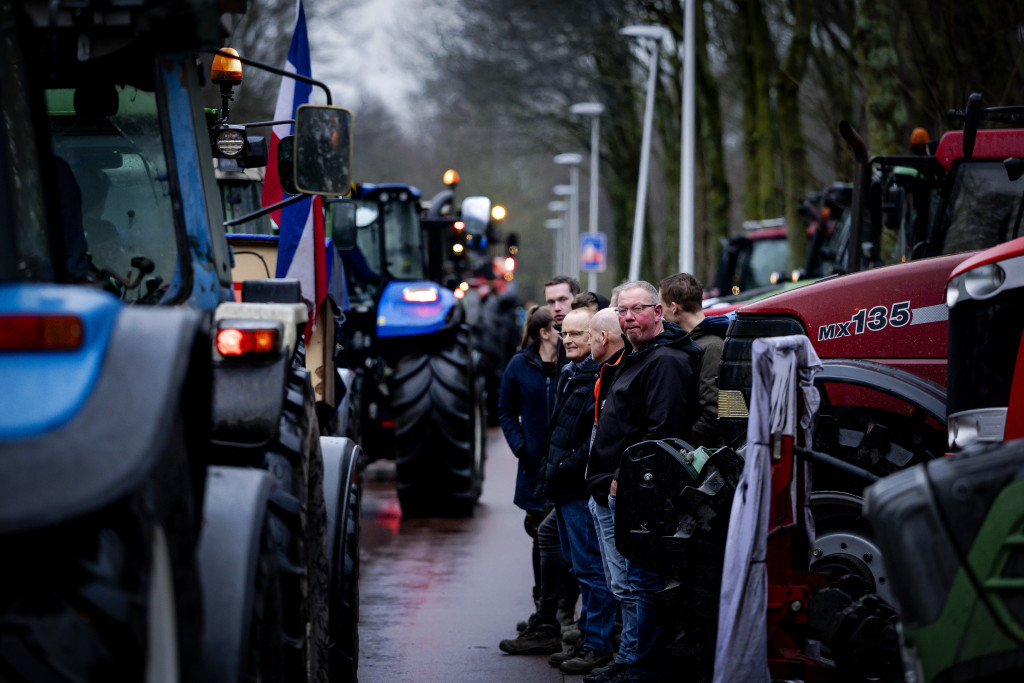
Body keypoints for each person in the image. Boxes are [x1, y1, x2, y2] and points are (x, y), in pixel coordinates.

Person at [585, 281, 703, 683]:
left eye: (638, 309)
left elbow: (662, 432)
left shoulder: (666, 361)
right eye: (623, 311)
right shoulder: (638, 355)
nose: (629, 317)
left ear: (658, 312)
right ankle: (632, 660)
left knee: (641, 582)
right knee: (632, 583)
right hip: (619, 488)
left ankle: (643, 668)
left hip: (639, 492)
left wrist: (624, 480)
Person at [536, 308, 618, 675]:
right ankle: (590, 637)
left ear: (596, 336)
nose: (566, 340)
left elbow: (594, 440)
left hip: (579, 488)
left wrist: (567, 467)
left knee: (592, 568)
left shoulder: (599, 377)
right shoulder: (573, 375)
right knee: (579, 566)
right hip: (566, 487)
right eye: (563, 333)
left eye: (576, 334)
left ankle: (597, 644)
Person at [498, 305, 565, 655]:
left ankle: (554, 616)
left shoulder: (571, 364)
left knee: (555, 541)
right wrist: (521, 446)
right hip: (534, 468)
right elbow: (505, 410)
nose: (563, 334)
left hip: (565, 469)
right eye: (558, 329)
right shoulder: (519, 366)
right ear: (544, 333)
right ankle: (545, 614)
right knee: (541, 537)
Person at [659, 272, 729, 449]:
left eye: (662, 307)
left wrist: (682, 445)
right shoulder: (696, 343)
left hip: (705, 454)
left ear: (674, 308)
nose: (662, 315)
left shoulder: (712, 347)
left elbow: (713, 412)